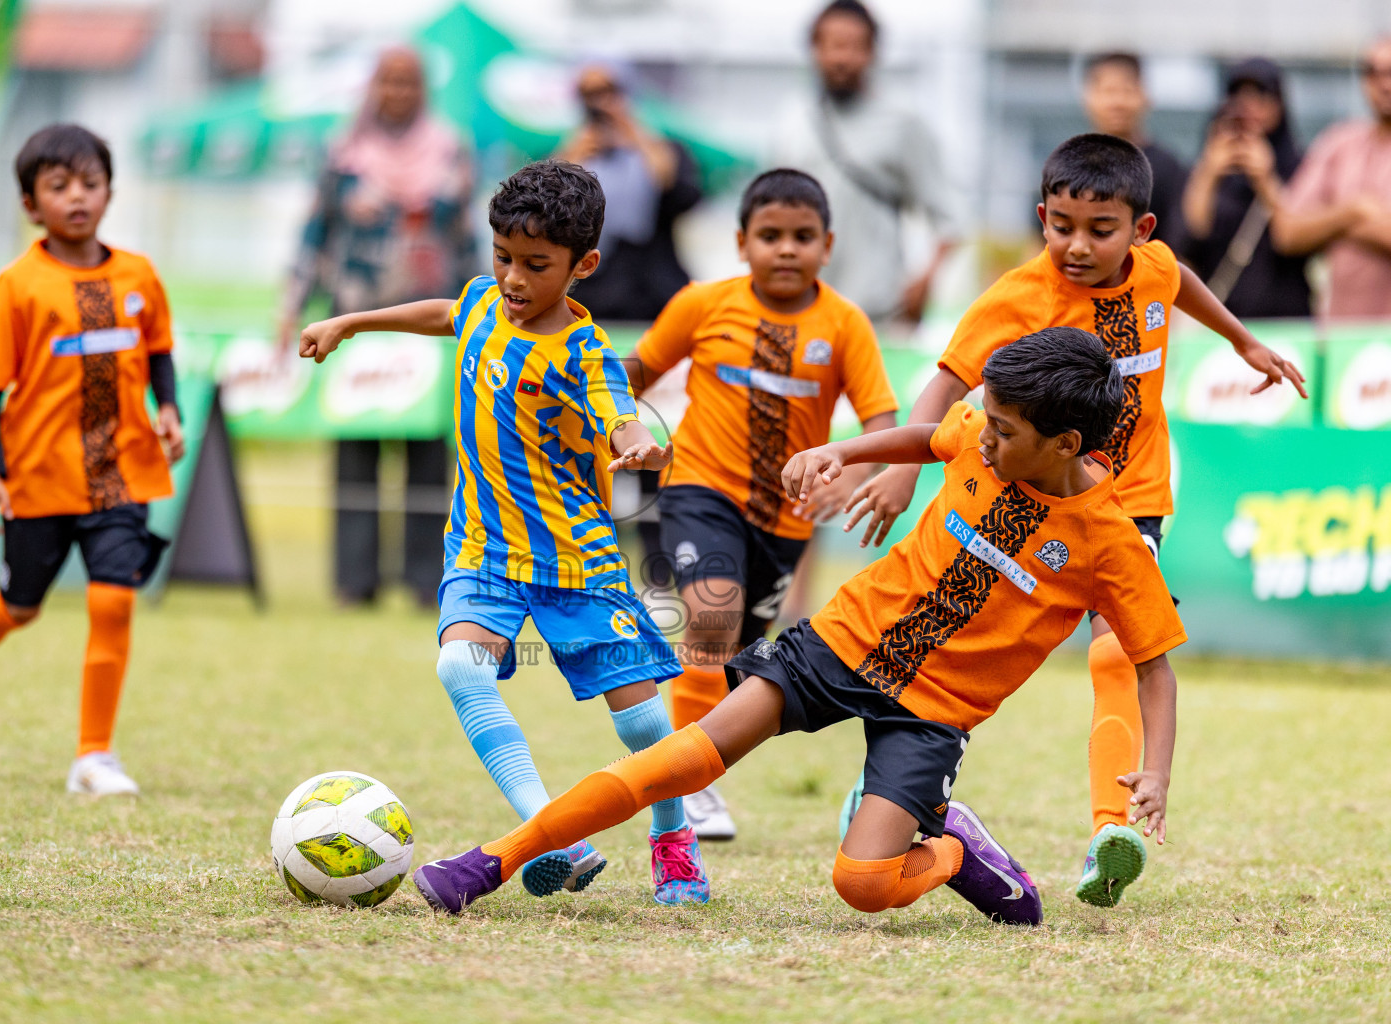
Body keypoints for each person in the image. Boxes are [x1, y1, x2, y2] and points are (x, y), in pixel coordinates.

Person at [412, 329, 1185, 924]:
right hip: (842, 642)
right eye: (987, 417)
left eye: (1005, 431)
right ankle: (493, 861)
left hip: (933, 711)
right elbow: (931, 436)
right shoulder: (981, 432)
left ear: (1065, 444)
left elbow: (1152, 666)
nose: (984, 436)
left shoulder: (1110, 544)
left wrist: (1154, 774)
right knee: (686, 758)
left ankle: (956, 851)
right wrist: (838, 450)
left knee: (864, 885)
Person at [841, 133, 1306, 908]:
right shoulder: (1019, 295)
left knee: (1117, 651)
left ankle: (1108, 834)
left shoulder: (1155, 267)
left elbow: (1180, 280)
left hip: (1131, 499)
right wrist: (899, 471)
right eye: (1062, 226)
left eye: (1100, 230)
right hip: (1040, 503)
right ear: (1042, 219)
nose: (1077, 245)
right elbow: (948, 378)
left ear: (1140, 230)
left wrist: (1243, 341)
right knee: (949, 642)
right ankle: (895, 798)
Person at [297, 160, 709, 906]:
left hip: (576, 563)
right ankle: (554, 835)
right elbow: (447, 313)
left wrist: (636, 445)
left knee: (646, 723)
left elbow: (619, 414)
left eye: (535, 265)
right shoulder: (485, 301)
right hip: (483, 553)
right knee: (460, 669)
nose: (513, 278)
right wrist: (350, 322)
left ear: (583, 266)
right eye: (502, 257)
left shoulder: (585, 353)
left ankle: (673, 840)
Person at [625, 169, 898, 842]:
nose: (786, 249)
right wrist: (607, 420)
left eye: (802, 237)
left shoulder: (844, 323)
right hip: (699, 489)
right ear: (742, 242)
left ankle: (690, 765)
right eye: (770, 235)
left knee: (736, 663)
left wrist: (853, 473)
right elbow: (631, 374)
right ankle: (689, 788)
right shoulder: (702, 304)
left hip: (784, 521)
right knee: (711, 620)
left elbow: (881, 419)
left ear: (826, 245)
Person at [0, 124, 184, 796]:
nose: (77, 197)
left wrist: (169, 409)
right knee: (19, 607)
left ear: (110, 193)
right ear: (30, 204)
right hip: (39, 478)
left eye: (90, 184)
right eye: (59, 185)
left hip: (119, 476)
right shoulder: (19, 284)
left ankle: (94, 757)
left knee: (114, 601)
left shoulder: (139, 275)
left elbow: (158, 350)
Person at [278, 47, 473, 607]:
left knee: (428, 450)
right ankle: (354, 581)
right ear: (372, 86)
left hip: (431, 326)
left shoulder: (451, 151)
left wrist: (485, 310)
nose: (398, 92)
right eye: (388, 81)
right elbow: (315, 231)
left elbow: (466, 238)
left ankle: (424, 579)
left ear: (423, 89)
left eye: (408, 82)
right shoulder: (344, 153)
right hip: (354, 320)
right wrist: (291, 304)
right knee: (356, 445)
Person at [771, 0, 960, 324]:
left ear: (873, 53)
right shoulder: (793, 123)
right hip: (802, 309)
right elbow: (770, 212)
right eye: (833, 45)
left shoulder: (903, 125)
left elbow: (948, 219)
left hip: (878, 313)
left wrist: (925, 280)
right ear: (814, 51)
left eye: (854, 47)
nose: (842, 58)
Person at [555, 63, 703, 323]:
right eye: (589, 94)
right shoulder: (572, 151)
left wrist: (636, 135)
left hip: (652, 286)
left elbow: (679, 191)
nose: (600, 102)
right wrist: (571, 159)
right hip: (590, 289)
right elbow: (548, 208)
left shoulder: (659, 148)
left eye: (608, 90)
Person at [1180, 58, 1313, 318]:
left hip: (1287, 319)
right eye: (1239, 96)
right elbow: (1190, 238)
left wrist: (1266, 180)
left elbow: (1297, 239)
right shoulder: (1209, 165)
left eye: (1260, 96)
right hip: (1222, 319)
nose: (1249, 107)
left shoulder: (1301, 166)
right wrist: (1208, 173)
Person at [1273, 37, 1391, 320]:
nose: (1385, 84)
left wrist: (1334, 224)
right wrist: (1354, 211)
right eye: (1373, 72)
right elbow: (1287, 232)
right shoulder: (1339, 144)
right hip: (1342, 333)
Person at [1081, 52, 1188, 251]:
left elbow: (1180, 246)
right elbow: (1042, 241)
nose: (1117, 102)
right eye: (1108, 91)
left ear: (1145, 96)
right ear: (1088, 97)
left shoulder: (1168, 168)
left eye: (1127, 91)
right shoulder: (1071, 163)